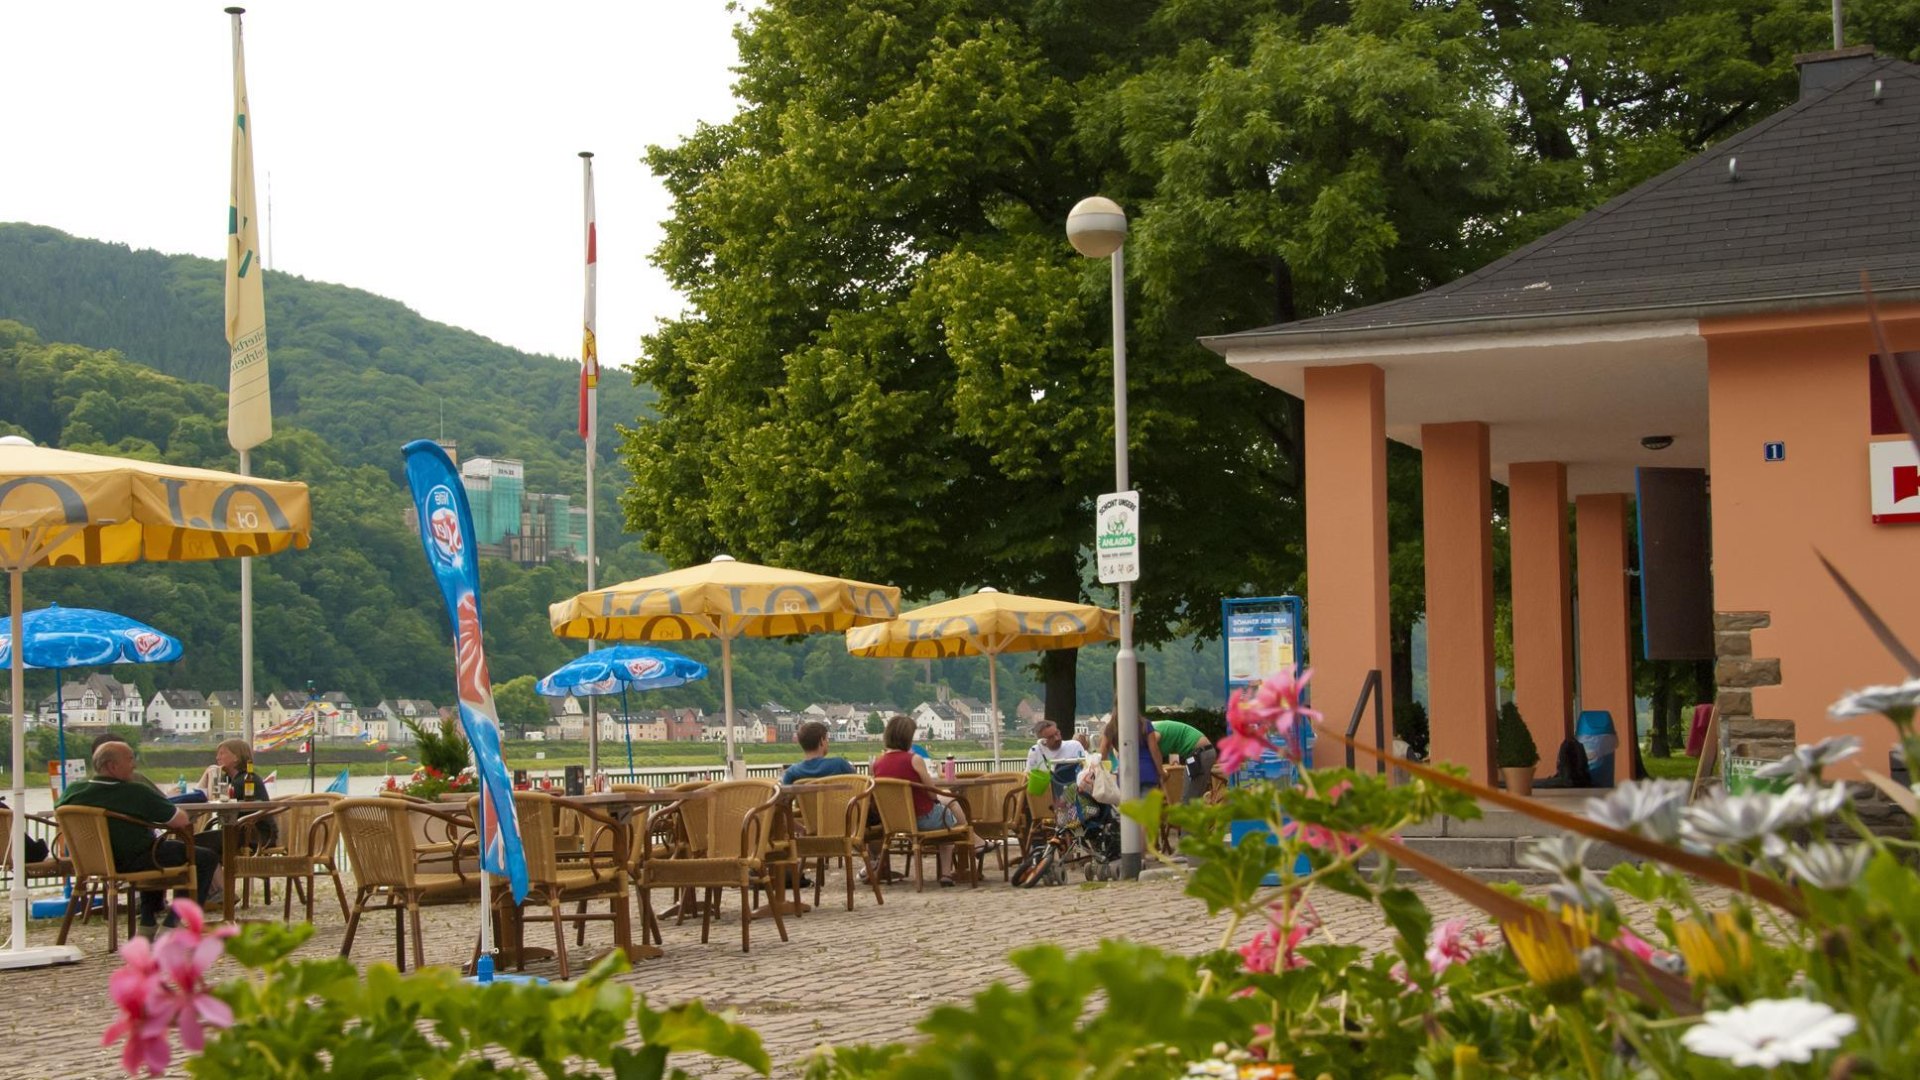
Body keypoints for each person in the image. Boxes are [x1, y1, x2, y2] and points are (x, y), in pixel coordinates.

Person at [57, 741, 218, 934]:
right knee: (202, 857)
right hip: (134, 860)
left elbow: (59, 812)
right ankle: (173, 922)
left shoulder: (73, 791)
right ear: (112, 766)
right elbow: (180, 820)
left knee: (157, 851)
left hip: (91, 864)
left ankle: (148, 924)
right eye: (130, 759)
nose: (134, 765)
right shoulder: (135, 791)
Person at [871, 714, 976, 886]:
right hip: (922, 819)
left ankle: (975, 844)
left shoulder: (876, 764)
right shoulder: (914, 760)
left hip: (893, 823)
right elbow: (932, 794)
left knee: (947, 807)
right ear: (907, 737)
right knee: (950, 819)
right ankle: (948, 872)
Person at [1151, 719, 1216, 802]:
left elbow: (1155, 744)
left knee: (1190, 799)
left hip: (1199, 753)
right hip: (1199, 753)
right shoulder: (1153, 726)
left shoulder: (1150, 731)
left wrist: (1160, 771)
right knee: (1191, 797)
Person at [1098, 713, 1162, 791]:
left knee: (1128, 802)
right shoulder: (1145, 724)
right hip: (1147, 773)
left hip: (1125, 774)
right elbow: (1154, 750)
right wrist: (1161, 772)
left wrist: (1104, 772)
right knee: (1148, 803)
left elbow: (1102, 752)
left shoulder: (1111, 727)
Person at [782, 721, 857, 785]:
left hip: (808, 802)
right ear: (821, 741)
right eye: (827, 739)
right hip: (836, 802)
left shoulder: (792, 772)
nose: (828, 743)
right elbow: (860, 785)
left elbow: (784, 799)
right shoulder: (839, 765)